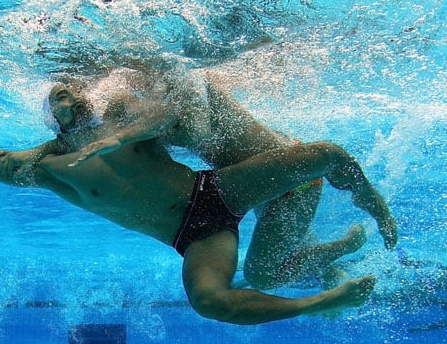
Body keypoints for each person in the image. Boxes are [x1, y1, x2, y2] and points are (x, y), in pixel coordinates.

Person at [0, 77, 396, 325]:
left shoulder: (121, 119)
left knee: (324, 155)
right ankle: (320, 302)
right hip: (193, 235)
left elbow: (170, 111)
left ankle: (371, 201)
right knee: (210, 302)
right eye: (60, 95)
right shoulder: (47, 165)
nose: (72, 98)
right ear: (49, 113)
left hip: (213, 189)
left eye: (76, 92)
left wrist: (124, 134)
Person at [67, 66, 398, 289]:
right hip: (262, 180)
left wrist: (122, 137)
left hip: (290, 185)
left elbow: (176, 117)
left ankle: (348, 241)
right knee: (277, 257)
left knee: (262, 277)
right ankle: (328, 267)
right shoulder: (131, 105)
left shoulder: (183, 86)